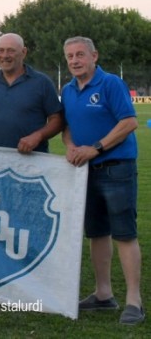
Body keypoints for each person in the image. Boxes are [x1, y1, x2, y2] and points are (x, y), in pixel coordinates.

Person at [61, 36, 144, 325]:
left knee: (124, 233)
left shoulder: (110, 83)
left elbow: (129, 122)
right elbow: (67, 127)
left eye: (80, 54)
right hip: (86, 171)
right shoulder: (68, 90)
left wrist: (95, 147)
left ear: (94, 56)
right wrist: (70, 145)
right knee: (96, 233)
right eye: (70, 56)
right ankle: (103, 293)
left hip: (115, 167)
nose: (74, 60)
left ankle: (134, 301)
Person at [0, 33, 63, 153]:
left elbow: (57, 119)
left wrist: (37, 136)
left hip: (33, 160)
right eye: (0, 51)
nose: (4, 55)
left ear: (24, 52)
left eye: (11, 51)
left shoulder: (42, 82)